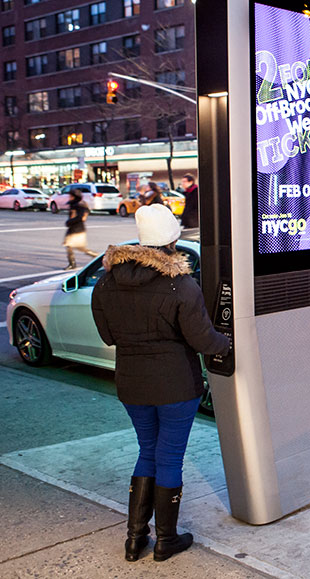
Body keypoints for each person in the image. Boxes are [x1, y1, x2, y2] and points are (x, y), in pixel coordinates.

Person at [91, 204, 231, 563]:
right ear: (172, 240)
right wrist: (228, 343)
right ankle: (166, 540)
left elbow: (108, 336)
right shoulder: (181, 285)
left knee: (146, 451)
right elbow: (203, 340)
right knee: (168, 456)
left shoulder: (106, 283)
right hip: (176, 387)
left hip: (132, 385)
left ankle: (135, 539)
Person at [63, 188, 98, 269]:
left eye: (71, 196)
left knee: (79, 248)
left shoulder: (79, 205)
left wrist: (69, 221)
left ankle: (97, 256)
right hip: (74, 228)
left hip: (77, 229)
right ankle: (72, 263)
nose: (69, 197)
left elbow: (81, 217)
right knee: (70, 246)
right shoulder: (76, 204)